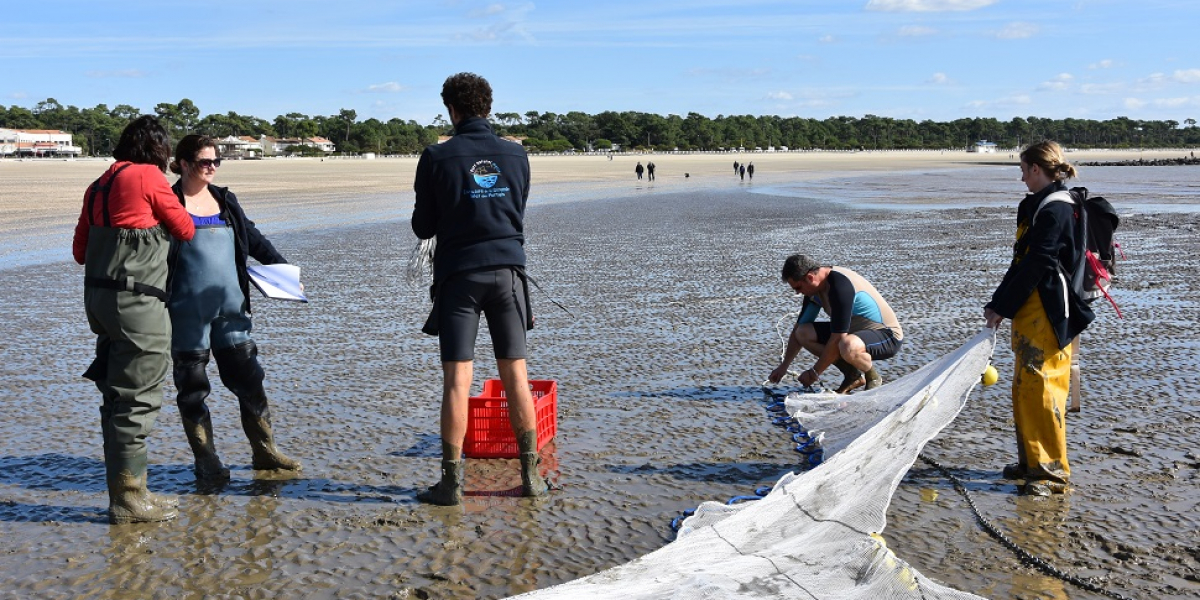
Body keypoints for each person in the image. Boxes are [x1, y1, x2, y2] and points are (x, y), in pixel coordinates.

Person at [411, 72, 549, 506]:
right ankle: (531, 477)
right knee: (517, 376)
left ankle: (451, 485)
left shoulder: (436, 156)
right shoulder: (516, 155)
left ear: (451, 109)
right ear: (488, 107)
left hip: (459, 276)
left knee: (457, 382)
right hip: (508, 272)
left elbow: (423, 226)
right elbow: (517, 208)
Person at [73, 115, 196, 524]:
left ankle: (134, 491)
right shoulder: (147, 177)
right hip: (137, 304)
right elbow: (184, 228)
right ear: (157, 148)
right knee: (138, 398)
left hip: (99, 303)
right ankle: (127, 500)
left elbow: (80, 251)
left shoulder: (97, 185)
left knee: (115, 395)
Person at [166, 134, 302, 483]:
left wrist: (284, 271)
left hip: (232, 310)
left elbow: (254, 239)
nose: (211, 167)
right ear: (183, 164)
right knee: (193, 388)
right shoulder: (168, 202)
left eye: (215, 162)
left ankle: (265, 451)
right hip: (186, 314)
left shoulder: (225, 200)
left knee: (250, 380)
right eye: (203, 162)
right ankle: (206, 459)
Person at [984, 140, 1094, 497]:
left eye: (1023, 170)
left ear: (1035, 168)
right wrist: (999, 302)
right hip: (1028, 310)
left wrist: (1003, 306)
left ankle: (1050, 473)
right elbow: (1021, 259)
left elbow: (1040, 262)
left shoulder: (1057, 209)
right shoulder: (1036, 205)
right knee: (1025, 387)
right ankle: (1031, 461)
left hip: (1049, 310)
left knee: (1044, 388)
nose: (1021, 178)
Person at [768, 254, 903, 394]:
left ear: (809, 278)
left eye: (798, 288)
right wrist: (783, 367)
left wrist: (814, 373)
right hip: (852, 333)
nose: (798, 293)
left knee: (847, 346)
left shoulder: (839, 286)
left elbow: (838, 337)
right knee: (802, 333)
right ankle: (853, 375)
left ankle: (872, 377)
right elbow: (798, 331)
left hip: (886, 335)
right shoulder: (814, 291)